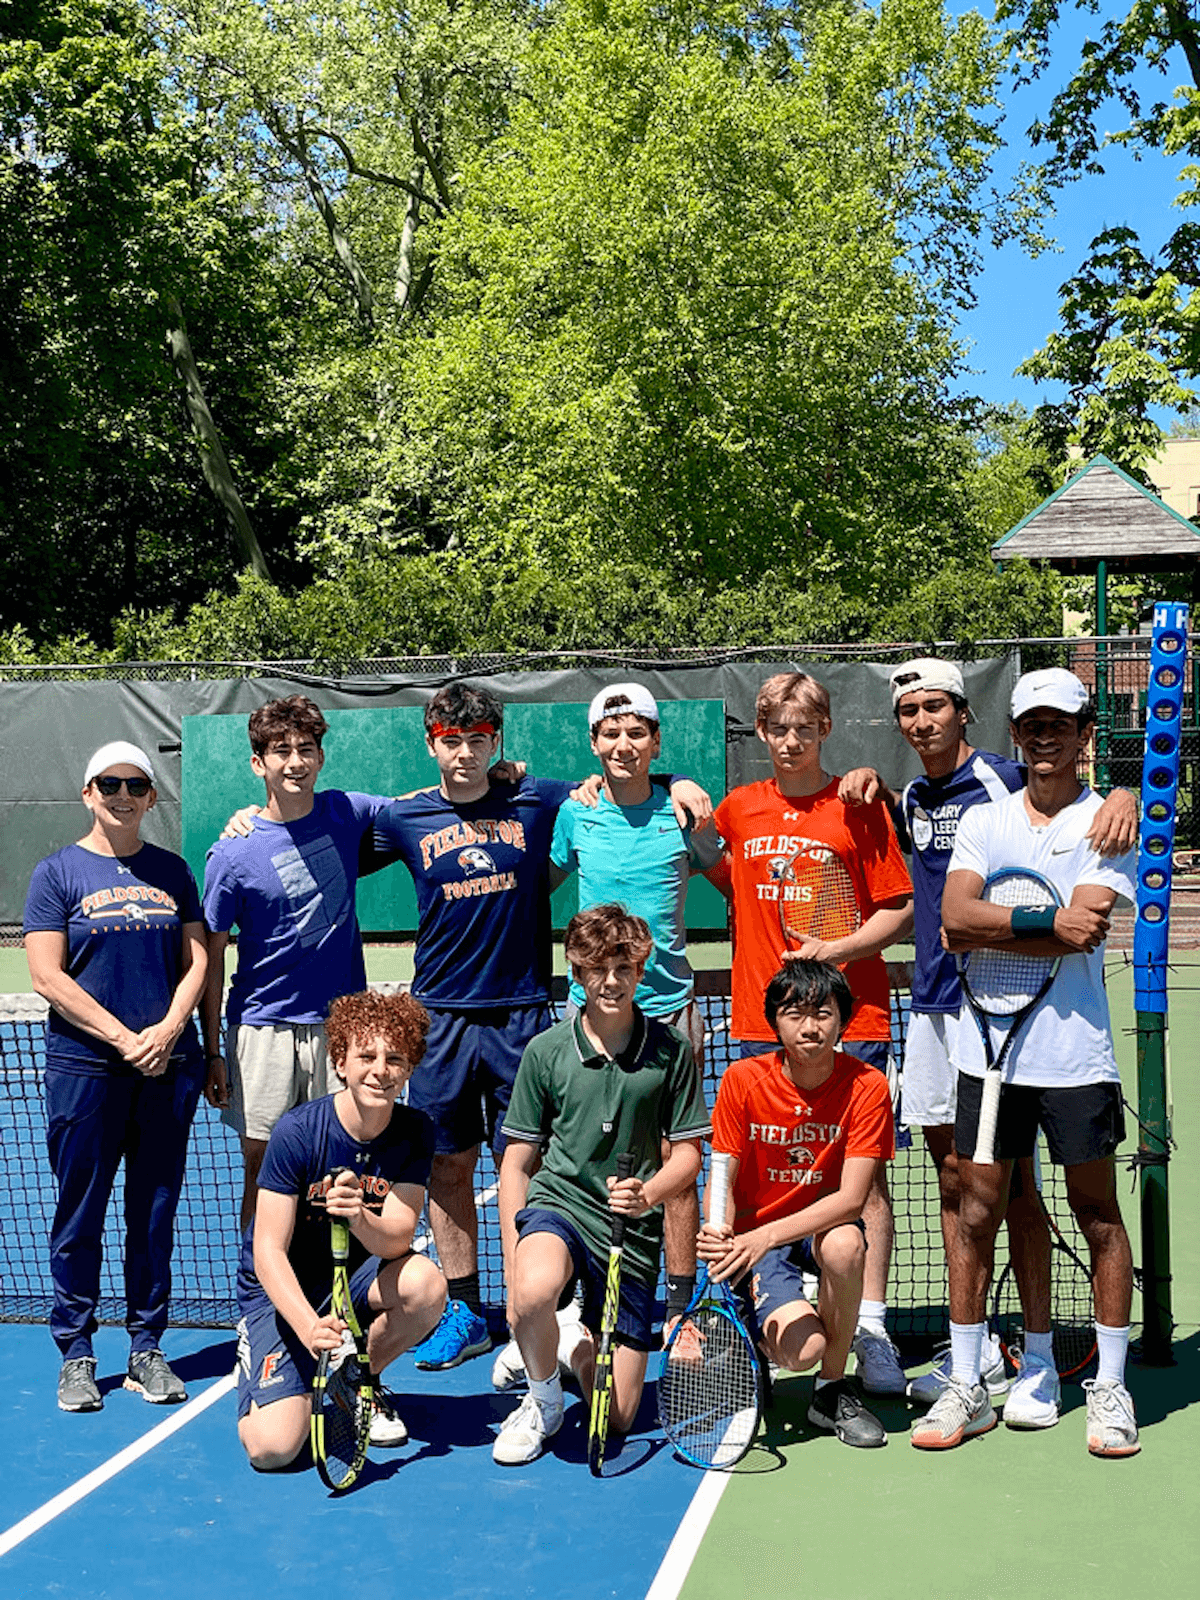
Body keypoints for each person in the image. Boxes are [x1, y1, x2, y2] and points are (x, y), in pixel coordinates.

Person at [369, 682, 710, 1371]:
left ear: (498, 741)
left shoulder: (544, 798)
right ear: (431, 742)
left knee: (540, 1166)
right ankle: (463, 1308)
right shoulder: (404, 818)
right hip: (442, 1017)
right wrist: (249, 818)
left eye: (478, 740)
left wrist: (682, 782)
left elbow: (625, 776)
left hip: (525, 1012)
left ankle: (544, 1305)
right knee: (446, 1164)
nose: (464, 753)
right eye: (450, 740)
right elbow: (323, 826)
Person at [841, 659, 1135, 1418]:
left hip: (1070, 1054)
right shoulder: (951, 809)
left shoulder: (1068, 804)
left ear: (1081, 736)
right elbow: (956, 922)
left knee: (1081, 1207)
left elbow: (1084, 927)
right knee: (972, 1199)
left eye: (1059, 725)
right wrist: (1042, 924)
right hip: (966, 1035)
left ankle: (1083, 1376)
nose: (1044, 737)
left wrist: (1127, 792)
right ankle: (972, 1369)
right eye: (1034, 724)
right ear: (1016, 729)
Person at [490, 683, 723, 1391]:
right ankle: (553, 1309)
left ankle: (679, 1312)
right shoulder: (577, 810)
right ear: (595, 744)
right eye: (611, 734)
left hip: (671, 1009)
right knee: (574, 1152)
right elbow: (541, 878)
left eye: (637, 733)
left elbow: (724, 867)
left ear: (656, 742)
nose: (623, 745)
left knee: (675, 1166)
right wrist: (517, 779)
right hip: (586, 1014)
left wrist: (692, 798)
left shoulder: (684, 809)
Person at [711, 671, 913, 1395]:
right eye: (778, 729)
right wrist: (675, 788)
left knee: (867, 1181)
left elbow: (900, 914)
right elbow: (719, 868)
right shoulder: (738, 810)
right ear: (760, 734)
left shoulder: (858, 806)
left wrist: (834, 951)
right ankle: (754, 1303)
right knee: (758, 1169)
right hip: (760, 1024)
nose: (791, 742)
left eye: (805, 728)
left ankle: (873, 1325)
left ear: (826, 729)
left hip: (852, 1018)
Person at [23, 740, 209, 1413]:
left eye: (136, 785)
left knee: (153, 1213)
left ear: (151, 797)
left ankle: (146, 1350)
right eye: (109, 785)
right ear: (88, 793)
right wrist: (125, 1038)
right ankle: (76, 1352)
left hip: (166, 1069)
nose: (122, 796)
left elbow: (196, 962)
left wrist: (166, 1033)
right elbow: (47, 975)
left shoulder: (173, 872)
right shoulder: (57, 874)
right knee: (81, 1214)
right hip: (85, 1071)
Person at [492, 905, 708, 1465]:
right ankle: (542, 1401)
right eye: (596, 968)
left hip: (630, 1232)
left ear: (642, 970)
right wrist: (515, 1261)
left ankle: (573, 1347)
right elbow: (516, 1164)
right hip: (561, 1204)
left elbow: (688, 1155)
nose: (610, 981)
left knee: (617, 1419)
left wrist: (649, 1194)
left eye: (623, 967)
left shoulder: (671, 1053)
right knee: (534, 1291)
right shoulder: (546, 1052)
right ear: (576, 971)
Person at [202, 695, 397, 1230]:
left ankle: (335, 1290)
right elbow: (212, 956)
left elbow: (430, 805)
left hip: (341, 1030)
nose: (294, 761)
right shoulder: (231, 853)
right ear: (257, 763)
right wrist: (213, 1048)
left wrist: (500, 775)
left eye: (306, 749)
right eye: (280, 751)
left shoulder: (347, 812)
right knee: (264, 1170)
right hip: (262, 1031)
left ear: (320, 757)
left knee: (344, 1171)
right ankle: (257, 1296)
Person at [235, 989, 446, 1469]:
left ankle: (354, 1373)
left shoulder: (416, 1131)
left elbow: (396, 1237)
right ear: (341, 1062)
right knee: (273, 1449)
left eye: (395, 1058)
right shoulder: (297, 1132)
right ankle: (264, 1365)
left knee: (427, 1286)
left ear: (410, 1067)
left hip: (355, 1281)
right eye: (366, 1056)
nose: (380, 1070)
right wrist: (309, 1327)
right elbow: (268, 1248)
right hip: (285, 1288)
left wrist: (357, 1215)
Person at [699, 960, 894, 1447]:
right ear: (775, 1022)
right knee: (802, 1350)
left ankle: (830, 1392)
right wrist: (719, 1229)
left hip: (809, 1229)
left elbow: (852, 1199)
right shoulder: (743, 1080)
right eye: (795, 1013)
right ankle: (755, 1328)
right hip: (755, 1237)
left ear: (843, 1021)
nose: (810, 1027)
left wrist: (763, 1235)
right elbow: (721, 1173)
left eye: (823, 1013)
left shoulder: (867, 1086)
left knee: (847, 1246)